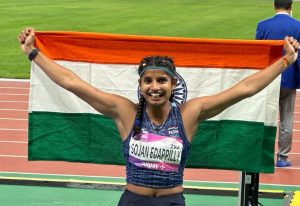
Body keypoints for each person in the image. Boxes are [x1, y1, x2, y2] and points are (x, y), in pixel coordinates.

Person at [18, 27, 299, 205]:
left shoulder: (190, 113)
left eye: (162, 80)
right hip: (133, 200)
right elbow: (72, 83)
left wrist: (285, 61)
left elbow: (245, 88)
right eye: (148, 81)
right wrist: (34, 53)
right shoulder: (125, 112)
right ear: (140, 86)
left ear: (173, 84)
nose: (155, 87)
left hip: (172, 201)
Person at [255, 0, 300, 167]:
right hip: (290, 79)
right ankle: (282, 157)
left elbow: (258, 54)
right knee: (287, 118)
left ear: (275, 6)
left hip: (268, 78)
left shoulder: (263, 25)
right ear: (291, 7)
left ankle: (262, 154)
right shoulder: (298, 26)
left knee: (265, 117)